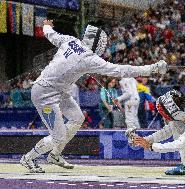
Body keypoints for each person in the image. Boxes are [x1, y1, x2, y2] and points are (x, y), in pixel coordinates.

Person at [20, 19, 168, 173]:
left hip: (60, 91)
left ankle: (55, 154)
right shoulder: (89, 58)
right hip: (44, 94)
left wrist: (46, 24)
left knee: (77, 118)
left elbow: (50, 33)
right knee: (58, 136)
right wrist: (151, 69)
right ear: (97, 43)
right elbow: (120, 70)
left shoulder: (70, 40)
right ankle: (28, 158)